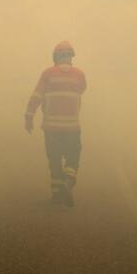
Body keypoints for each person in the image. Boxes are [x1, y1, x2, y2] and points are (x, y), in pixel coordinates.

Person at [25, 41, 87, 207]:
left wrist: (29, 117)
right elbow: (82, 90)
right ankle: (68, 182)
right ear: (71, 56)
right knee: (73, 157)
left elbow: (36, 97)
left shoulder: (47, 74)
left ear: (55, 57)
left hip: (51, 128)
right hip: (72, 128)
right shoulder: (79, 75)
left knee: (54, 160)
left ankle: (56, 195)